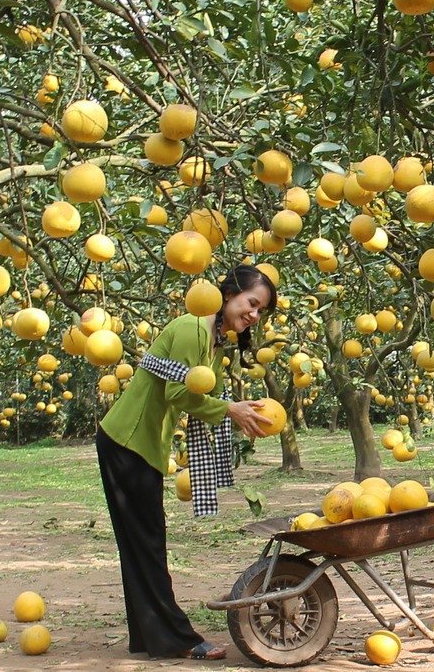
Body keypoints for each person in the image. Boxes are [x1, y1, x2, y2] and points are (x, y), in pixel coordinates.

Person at [96, 265, 277, 660]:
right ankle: (177, 638)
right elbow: (181, 393)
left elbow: (187, 393)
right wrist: (231, 409)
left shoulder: (211, 338)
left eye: (260, 311)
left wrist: (231, 409)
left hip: (138, 444)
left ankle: (149, 637)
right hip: (128, 441)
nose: (254, 315)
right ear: (229, 292)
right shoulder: (195, 327)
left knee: (141, 543)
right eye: (251, 303)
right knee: (147, 542)